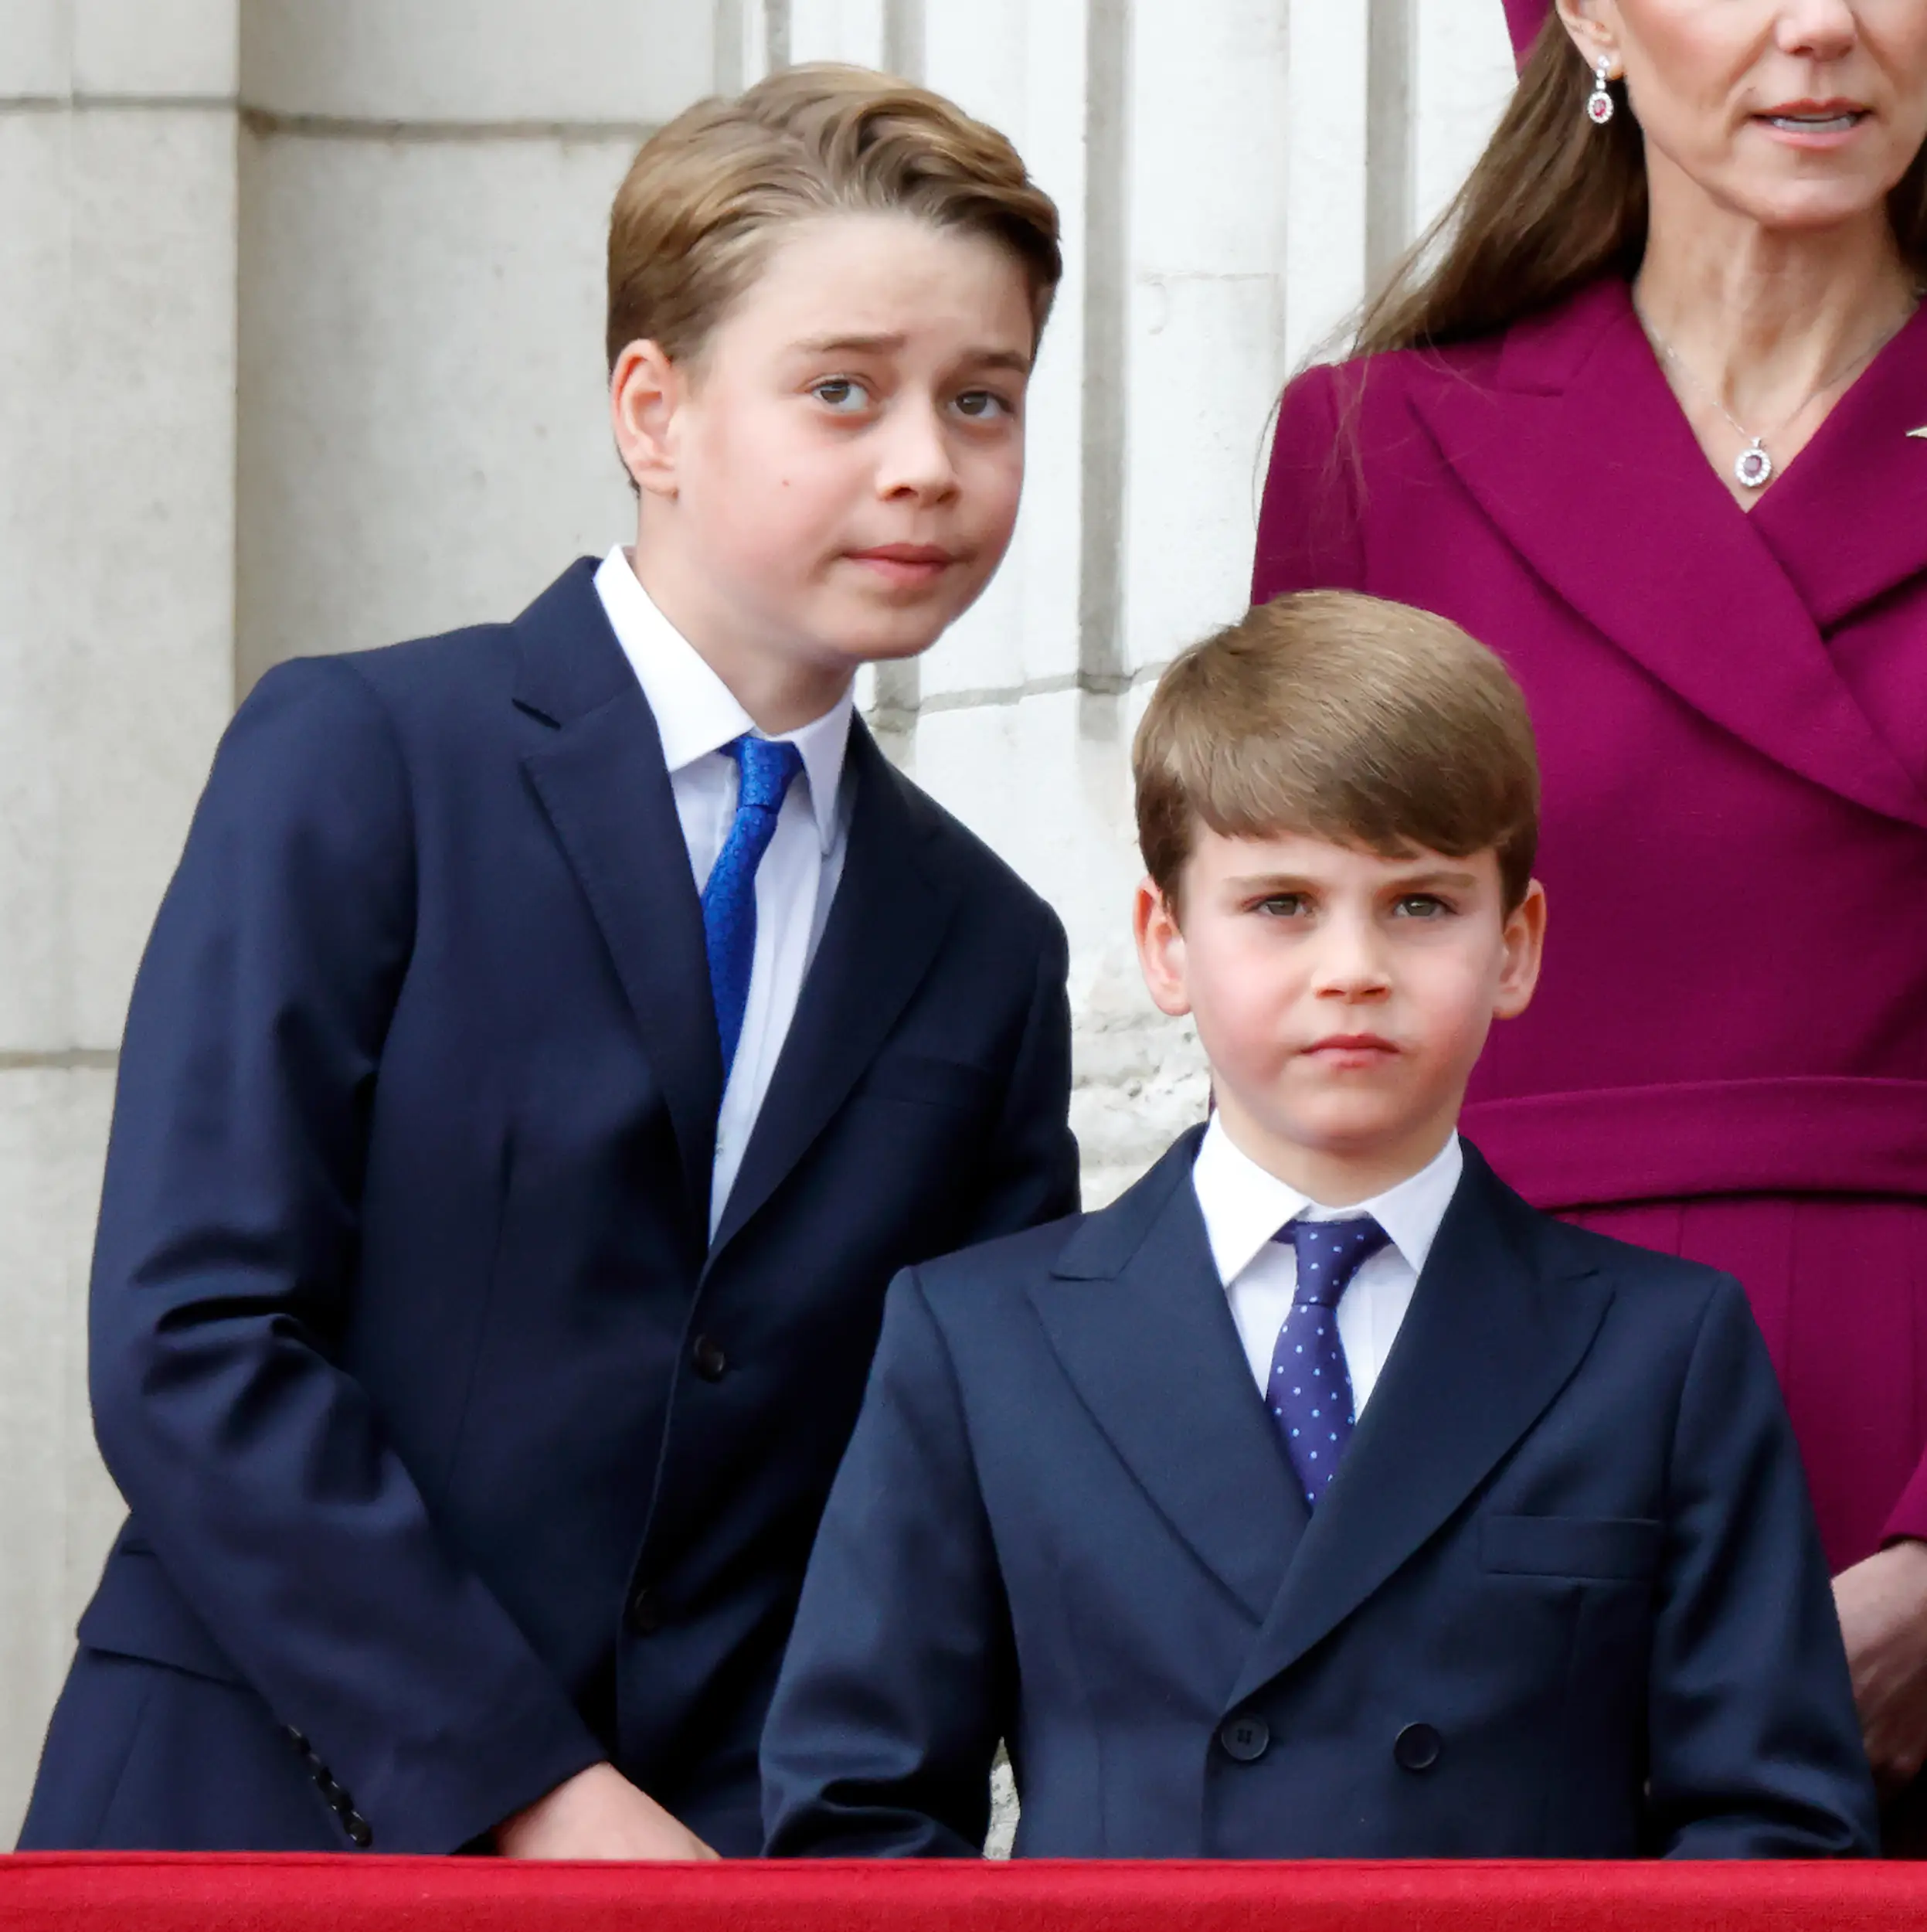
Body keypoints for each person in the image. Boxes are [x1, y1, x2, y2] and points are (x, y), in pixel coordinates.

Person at [17, 65, 1079, 1860]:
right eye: (844, 389)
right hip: (256, 1820)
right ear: (650, 412)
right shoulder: (364, 758)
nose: (925, 461)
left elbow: (941, 1484)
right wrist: (536, 1791)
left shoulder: (986, 944)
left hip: (733, 1871)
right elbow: (191, 1339)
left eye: (982, 399)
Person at [759, 592, 1878, 1859]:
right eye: (1281, 903)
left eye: (1418, 905)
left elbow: (1771, 1826)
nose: (1351, 966)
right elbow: (857, 1815)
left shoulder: (1662, 1350)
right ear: (1165, 944)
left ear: (1514, 947)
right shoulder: (976, 1343)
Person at [1252, 0, 1927, 1819]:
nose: (1824, 29)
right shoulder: (1371, 446)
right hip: (1478, 1453)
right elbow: (1305, 1050)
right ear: (1590, 19)